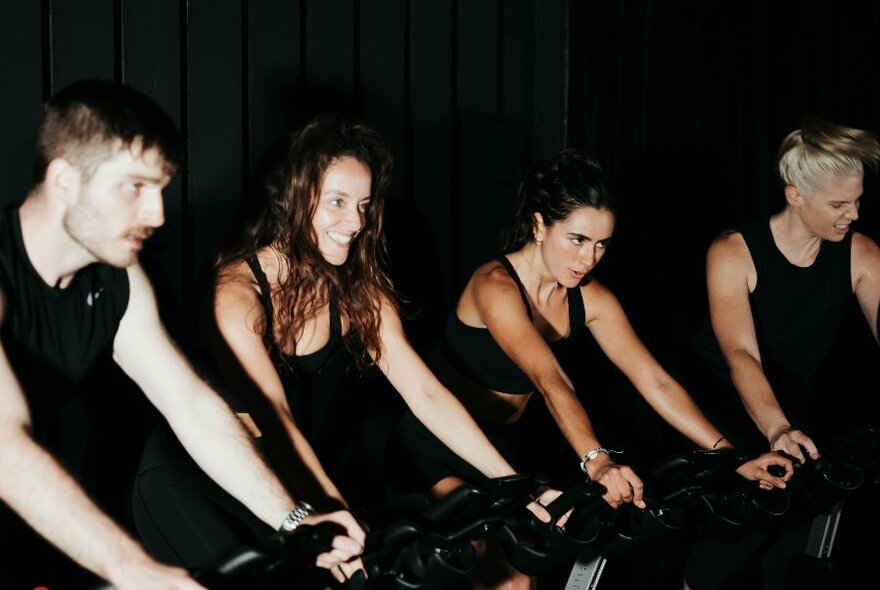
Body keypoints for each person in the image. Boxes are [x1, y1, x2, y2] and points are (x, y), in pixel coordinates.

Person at [142, 111, 561, 584]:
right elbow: (275, 422)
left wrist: (512, 485)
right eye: (337, 202)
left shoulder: (357, 287)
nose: (355, 221)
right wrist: (336, 517)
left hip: (271, 484)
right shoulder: (237, 293)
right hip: (191, 481)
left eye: (364, 204)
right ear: (296, 197)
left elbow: (426, 394)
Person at [0, 79, 364, 590]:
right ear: (65, 180)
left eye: (161, 189)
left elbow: (191, 407)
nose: (157, 214)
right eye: (135, 187)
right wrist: (134, 568)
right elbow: (5, 449)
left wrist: (295, 520)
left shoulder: (119, 281)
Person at [395, 148, 794, 589]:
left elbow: (655, 379)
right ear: (539, 224)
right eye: (578, 240)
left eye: (602, 244)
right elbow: (551, 382)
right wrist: (597, 463)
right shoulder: (495, 285)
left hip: (502, 447)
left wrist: (730, 458)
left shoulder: (591, 298)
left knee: (520, 579)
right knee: (502, 573)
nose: (589, 258)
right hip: (433, 445)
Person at [685, 116, 880, 589]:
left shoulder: (861, 254)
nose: (852, 214)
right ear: (795, 195)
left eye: (856, 202)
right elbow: (741, 356)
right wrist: (776, 428)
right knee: (714, 564)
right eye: (838, 204)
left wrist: (786, 429)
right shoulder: (733, 252)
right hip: (723, 418)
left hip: (795, 422)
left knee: (793, 565)